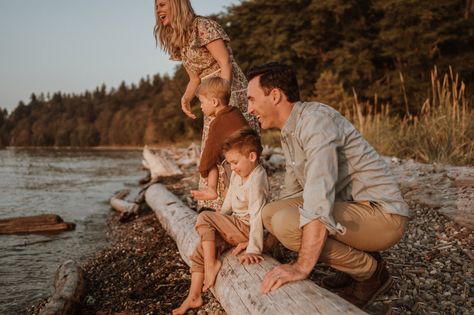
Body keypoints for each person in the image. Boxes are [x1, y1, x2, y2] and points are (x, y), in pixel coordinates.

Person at [246, 62, 410, 309]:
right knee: (271, 214)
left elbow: (317, 200)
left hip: (383, 215)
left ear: (275, 95)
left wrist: (301, 267)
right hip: (351, 208)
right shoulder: (290, 130)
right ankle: (352, 259)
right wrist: (260, 245)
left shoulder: (315, 123)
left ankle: (370, 272)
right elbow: (292, 194)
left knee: (286, 223)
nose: (249, 109)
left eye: (252, 99)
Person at [154, 0, 259, 211]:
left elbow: (225, 62)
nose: (159, 10)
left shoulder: (202, 26)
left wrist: (224, 95)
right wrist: (186, 97)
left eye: (163, 4)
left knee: (238, 147)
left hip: (229, 91)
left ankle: (247, 206)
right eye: (156, 6)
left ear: (177, 5)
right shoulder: (181, 41)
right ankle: (224, 208)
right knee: (214, 150)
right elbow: (195, 78)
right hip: (209, 96)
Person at [172, 128, 269, 315]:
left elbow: (257, 215)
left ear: (252, 156)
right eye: (229, 163)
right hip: (235, 225)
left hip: (247, 229)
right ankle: (194, 296)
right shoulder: (238, 174)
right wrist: (219, 221)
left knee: (204, 216)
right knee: (200, 250)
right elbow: (229, 202)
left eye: (234, 162)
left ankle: (211, 265)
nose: (232, 167)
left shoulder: (258, 178)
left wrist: (254, 248)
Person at [190, 77, 249, 200]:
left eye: (202, 102)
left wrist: (203, 171)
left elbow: (209, 149)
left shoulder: (218, 122)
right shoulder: (235, 112)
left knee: (211, 162)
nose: (201, 106)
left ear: (214, 102)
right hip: (250, 157)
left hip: (234, 163)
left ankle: (212, 190)